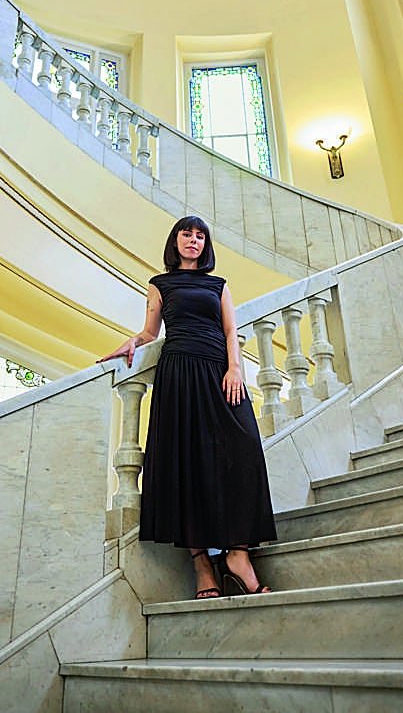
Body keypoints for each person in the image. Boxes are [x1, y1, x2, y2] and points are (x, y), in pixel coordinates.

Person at [100, 215, 276, 599]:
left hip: (218, 371)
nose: (193, 241)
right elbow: (150, 333)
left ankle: (238, 554)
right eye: (187, 234)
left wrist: (234, 369)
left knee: (244, 449)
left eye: (200, 236)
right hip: (178, 373)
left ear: (205, 244)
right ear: (175, 241)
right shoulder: (160, 284)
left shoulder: (218, 285)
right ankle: (202, 566)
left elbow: (231, 331)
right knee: (189, 461)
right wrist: (132, 342)